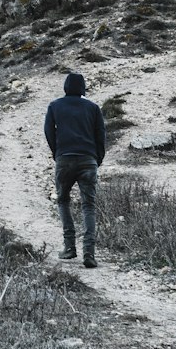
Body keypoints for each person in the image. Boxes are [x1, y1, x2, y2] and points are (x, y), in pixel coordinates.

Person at [44, 71, 106, 268]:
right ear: (83, 88)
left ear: (65, 87)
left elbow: (48, 131)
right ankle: (89, 253)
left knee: (63, 201)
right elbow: (101, 135)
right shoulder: (93, 107)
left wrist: (57, 153)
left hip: (65, 159)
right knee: (89, 206)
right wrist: (97, 158)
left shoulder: (55, 106)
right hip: (88, 160)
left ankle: (70, 247)